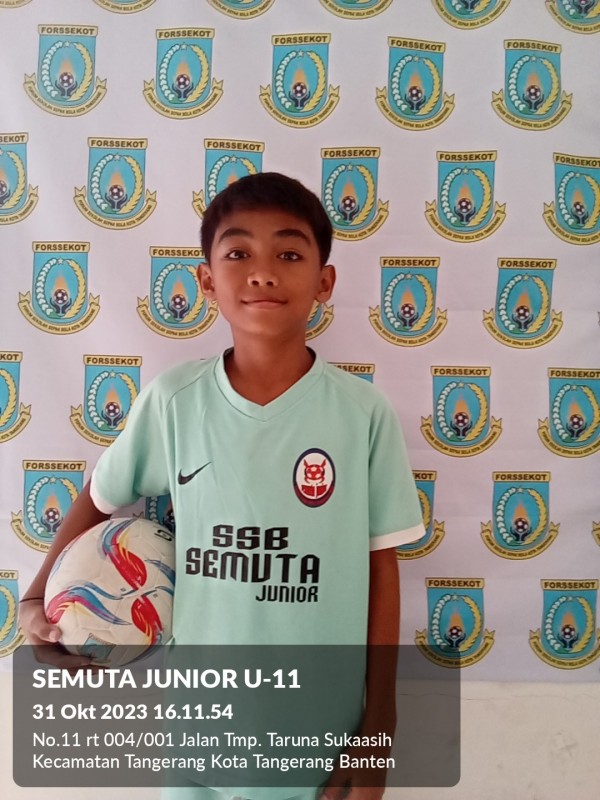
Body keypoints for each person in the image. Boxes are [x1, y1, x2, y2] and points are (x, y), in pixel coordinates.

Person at [20, 172, 425, 800]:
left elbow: (381, 570)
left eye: (288, 254)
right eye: (238, 253)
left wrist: (378, 734)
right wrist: (36, 598)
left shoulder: (362, 415)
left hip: (316, 738)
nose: (262, 273)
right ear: (207, 281)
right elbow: (101, 494)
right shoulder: (174, 401)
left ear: (324, 282)